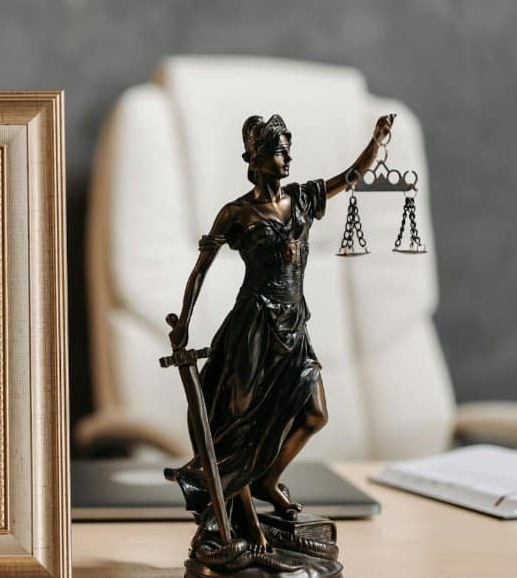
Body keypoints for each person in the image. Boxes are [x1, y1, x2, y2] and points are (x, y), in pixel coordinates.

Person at [166, 112, 394, 554]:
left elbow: (350, 177)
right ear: (254, 158)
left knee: (314, 414)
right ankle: (247, 527)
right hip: (252, 329)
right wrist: (184, 323)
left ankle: (267, 480)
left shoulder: (302, 199)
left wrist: (376, 141)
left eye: (288, 148)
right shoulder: (236, 214)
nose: (287, 157)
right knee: (243, 428)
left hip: (294, 325)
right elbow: (200, 271)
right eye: (278, 149)